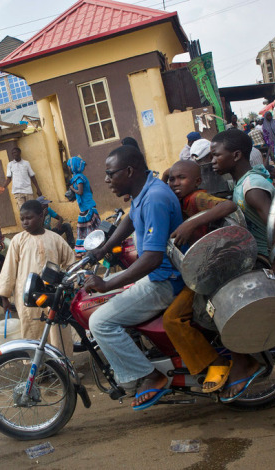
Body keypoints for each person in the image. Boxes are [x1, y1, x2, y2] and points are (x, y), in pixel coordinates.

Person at [83, 145, 183, 410]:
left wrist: (106, 283)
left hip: (165, 281)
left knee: (100, 321)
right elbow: (129, 220)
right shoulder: (144, 192)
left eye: (110, 174)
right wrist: (102, 249)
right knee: (107, 301)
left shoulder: (155, 198)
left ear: (128, 171)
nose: (106, 180)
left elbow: (151, 259)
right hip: (159, 276)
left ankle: (149, 375)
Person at [210, 129, 275, 397]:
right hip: (255, 256)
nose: (212, 160)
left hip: (263, 261)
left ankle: (243, 359)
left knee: (215, 293)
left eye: (216, 155)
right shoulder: (242, 182)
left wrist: (274, 276)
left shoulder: (251, 187)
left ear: (235, 155)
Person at [164, 160, 239, 395]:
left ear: (197, 181)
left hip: (208, 273)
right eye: (172, 179)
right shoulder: (180, 200)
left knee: (172, 319)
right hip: (197, 268)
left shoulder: (197, 198)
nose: (175, 183)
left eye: (181, 178)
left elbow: (228, 205)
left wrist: (194, 222)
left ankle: (213, 362)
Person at [0, 200, 76, 355]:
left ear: (41, 216)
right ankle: (39, 369)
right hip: (27, 294)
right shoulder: (18, 240)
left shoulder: (55, 238)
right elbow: (9, 268)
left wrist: (70, 284)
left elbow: (70, 262)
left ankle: (62, 367)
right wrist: (4, 296)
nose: (25, 222)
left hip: (53, 294)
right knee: (32, 330)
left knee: (57, 331)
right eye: (22, 219)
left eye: (29, 218)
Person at [66, 155, 101, 241]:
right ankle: (94, 244)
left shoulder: (78, 178)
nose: (69, 168)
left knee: (85, 228)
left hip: (87, 207)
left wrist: (72, 189)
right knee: (92, 228)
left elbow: (80, 192)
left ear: (73, 167)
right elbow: (90, 191)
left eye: (69, 166)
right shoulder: (81, 177)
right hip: (88, 205)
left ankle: (85, 247)